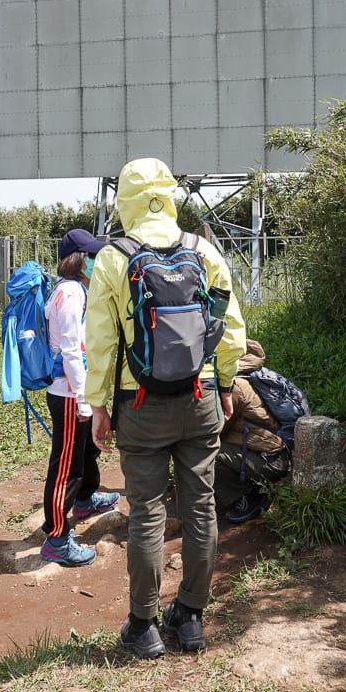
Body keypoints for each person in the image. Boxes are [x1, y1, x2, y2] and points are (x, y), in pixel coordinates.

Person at [84, 158, 247, 657]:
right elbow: (229, 328)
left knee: (148, 514)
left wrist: (98, 406)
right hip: (199, 400)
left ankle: (144, 626)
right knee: (201, 508)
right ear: (171, 195)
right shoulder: (203, 250)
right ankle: (192, 618)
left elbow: (102, 342)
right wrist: (222, 384)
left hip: (141, 405)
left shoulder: (114, 257)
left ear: (125, 200)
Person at [39, 228, 120, 567]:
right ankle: (56, 537)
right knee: (66, 466)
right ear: (77, 259)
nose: (94, 261)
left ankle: (85, 499)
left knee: (86, 451)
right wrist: (85, 400)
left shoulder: (71, 289)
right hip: (70, 393)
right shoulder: (71, 293)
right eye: (90, 256)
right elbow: (72, 350)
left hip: (75, 390)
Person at [214, 339, 292, 523]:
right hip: (270, 455)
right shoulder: (248, 376)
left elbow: (215, 430)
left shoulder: (235, 388)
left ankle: (247, 498)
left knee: (205, 452)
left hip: (270, 462)